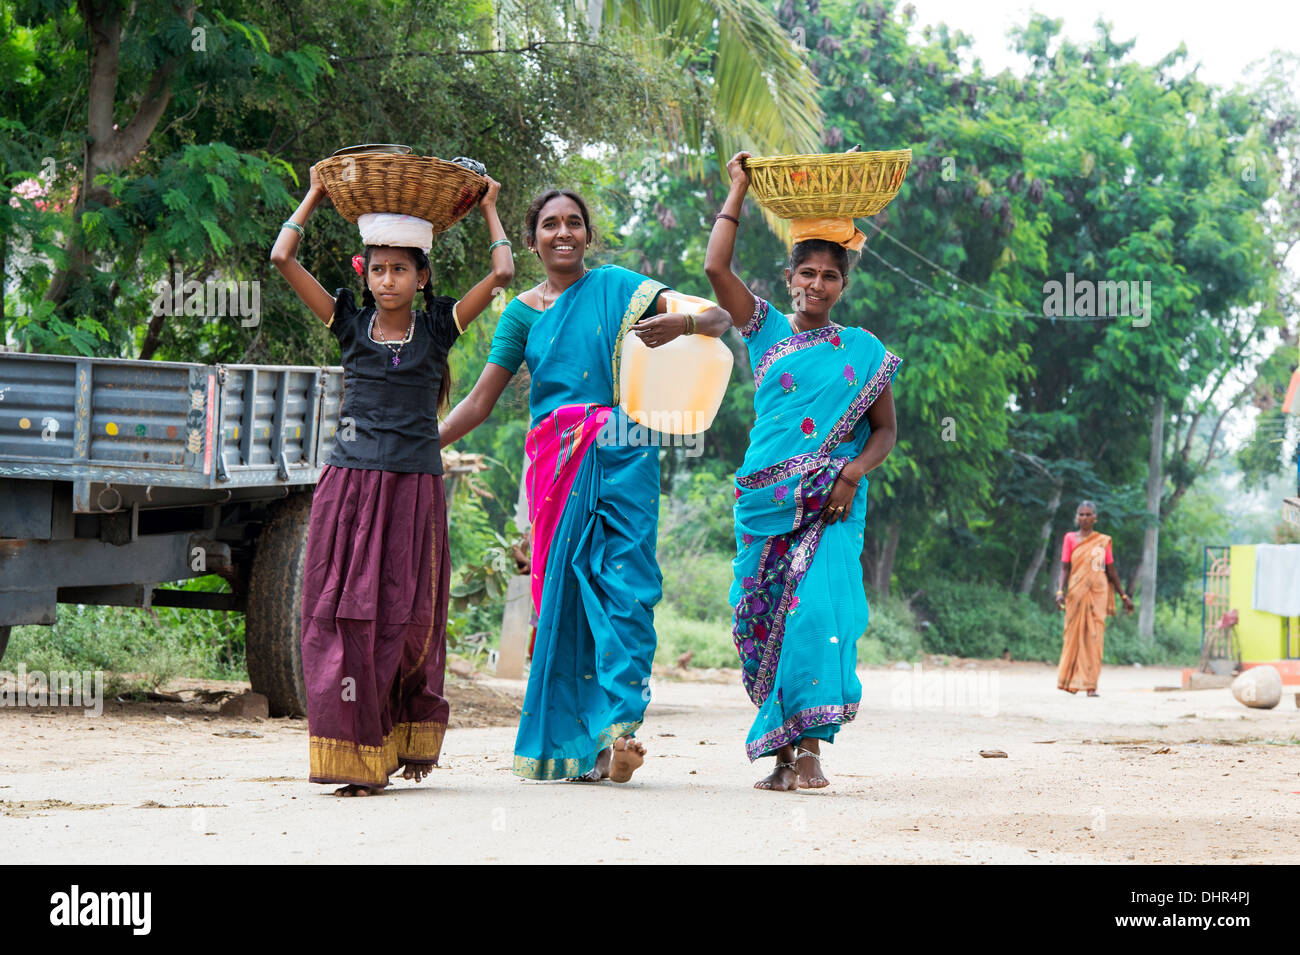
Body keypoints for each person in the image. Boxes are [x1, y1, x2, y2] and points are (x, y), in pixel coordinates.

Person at [439, 188, 731, 782]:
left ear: (588, 237)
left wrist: (682, 321)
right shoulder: (520, 313)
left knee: (623, 591)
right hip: (557, 468)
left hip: (623, 459)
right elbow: (479, 401)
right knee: (565, 604)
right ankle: (588, 747)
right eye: (550, 224)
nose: (563, 232)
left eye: (574, 223)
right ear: (532, 239)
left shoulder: (621, 289)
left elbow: (723, 318)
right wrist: (421, 445)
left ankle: (619, 730)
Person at [270, 164, 513, 795]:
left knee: (403, 619)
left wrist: (489, 206)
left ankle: (398, 735)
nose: (387, 280)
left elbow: (506, 275)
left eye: (400, 269)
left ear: (422, 275)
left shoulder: (438, 328)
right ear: (364, 272)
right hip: (348, 489)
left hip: (411, 490)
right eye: (377, 268)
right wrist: (318, 193)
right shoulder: (349, 324)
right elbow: (281, 256)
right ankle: (357, 752)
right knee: (340, 613)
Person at [704, 151, 900, 792]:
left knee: (815, 614)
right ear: (789, 276)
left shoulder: (862, 349)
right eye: (807, 273)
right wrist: (737, 187)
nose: (816, 285)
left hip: (831, 502)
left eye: (829, 277)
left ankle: (811, 749)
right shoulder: (760, 328)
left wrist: (849, 476)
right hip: (765, 502)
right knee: (764, 618)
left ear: (843, 284)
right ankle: (783, 757)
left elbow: (885, 431)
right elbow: (715, 266)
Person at [1055, 500, 1134, 697]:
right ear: (1077, 517)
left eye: (1088, 514)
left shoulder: (1103, 541)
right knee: (1073, 636)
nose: (1084, 518)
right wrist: (1059, 591)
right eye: (1081, 514)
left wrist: (1123, 596)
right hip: (1076, 592)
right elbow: (1064, 567)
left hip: (1098, 593)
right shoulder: (1070, 539)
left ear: (1095, 518)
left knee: (1094, 637)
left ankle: (1091, 686)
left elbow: (1111, 570)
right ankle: (1070, 682)